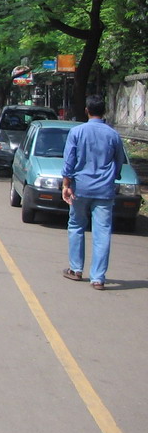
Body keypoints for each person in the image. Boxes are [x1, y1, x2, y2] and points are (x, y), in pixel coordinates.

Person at [60, 95, 125, 290]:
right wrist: (114, 176)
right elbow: (119, 160)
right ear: (104, 112)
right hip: (104, 190)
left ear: (87, 110)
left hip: (81, 187)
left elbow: (69, 161)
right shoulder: (113, 135)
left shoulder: (77, 132)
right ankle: (98, 278)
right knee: (102, 232)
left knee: (76, 226)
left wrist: (66, 184)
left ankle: (76, 269)